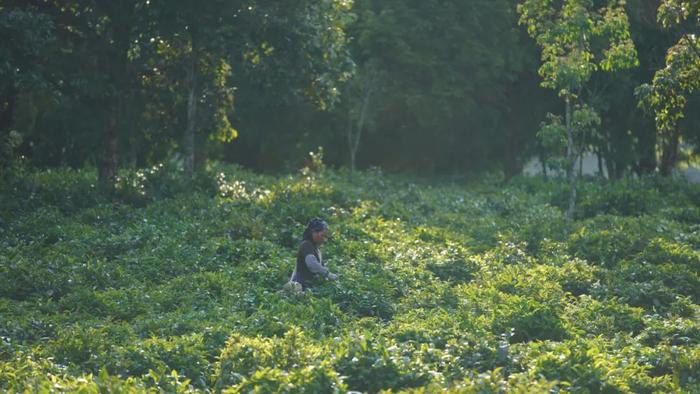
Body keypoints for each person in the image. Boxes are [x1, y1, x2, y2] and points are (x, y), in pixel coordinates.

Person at [288, 218, 338, 291]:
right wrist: (328, 274)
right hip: (299, 286)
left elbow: (319, 268)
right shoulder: (306, 245)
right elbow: (312, 264)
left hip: (308, 287)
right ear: (314, 232)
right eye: (322, 235)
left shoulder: (316, 249)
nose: (323, 239)